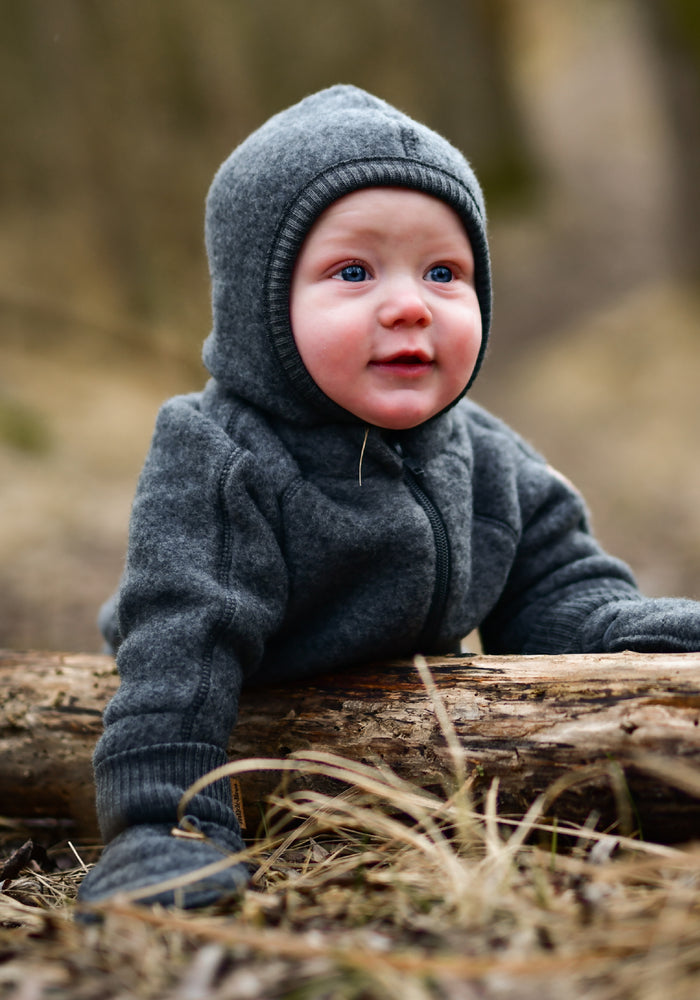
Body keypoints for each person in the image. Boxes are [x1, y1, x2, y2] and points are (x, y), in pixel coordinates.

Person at [78, 85, 700, 908]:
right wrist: (166, 824)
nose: (409, 305)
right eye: (354, 270)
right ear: (258, 305)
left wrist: (617, 638)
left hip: (407, 724)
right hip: (236, 695)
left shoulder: (475, 446)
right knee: (181, 657)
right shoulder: (221, 455)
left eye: (444, 272)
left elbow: (550, 576)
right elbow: (179, 654)